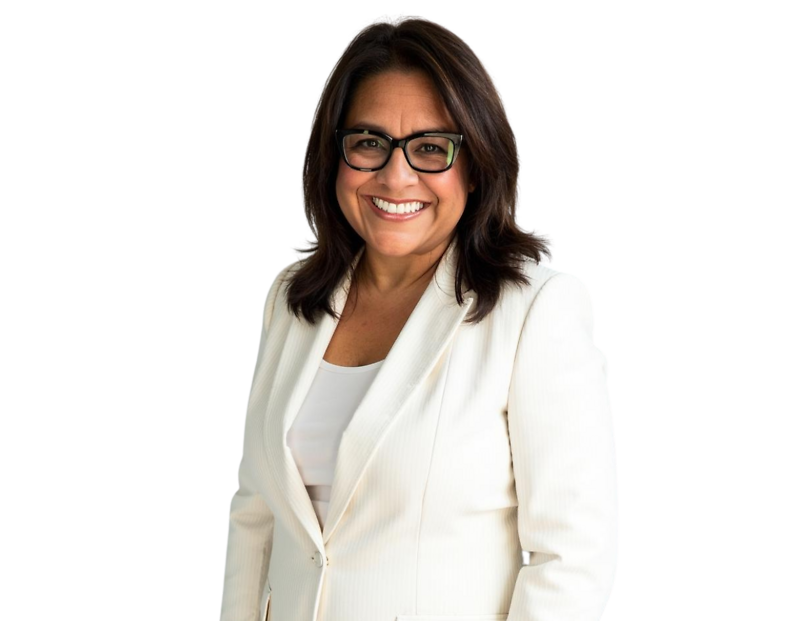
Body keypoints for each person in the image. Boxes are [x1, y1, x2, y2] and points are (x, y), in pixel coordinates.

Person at [219, 13, 619, 621]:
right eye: (369, 142)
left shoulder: (538, 311)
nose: (395, 175)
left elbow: (572, 556)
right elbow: (256, 517)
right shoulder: (290, 297)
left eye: (432, 148)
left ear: (477, 162)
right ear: (336, 155)